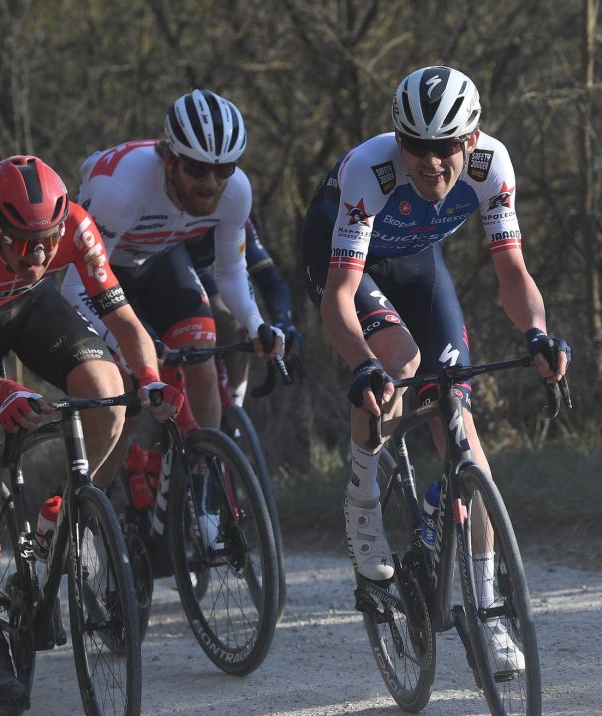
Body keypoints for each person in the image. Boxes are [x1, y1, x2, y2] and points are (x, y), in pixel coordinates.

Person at [299, 66, 570, 673]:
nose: (431, 162)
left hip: (417, 260)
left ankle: (490, 613)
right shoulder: (370, 170)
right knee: (398, 363)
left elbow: (513, 273)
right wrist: (363, 364)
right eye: (416, 145)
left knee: (462, 429)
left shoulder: (491, 166)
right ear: (399, 138)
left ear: (470, 140)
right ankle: (362, 500)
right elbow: (339, 297)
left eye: (445, 146)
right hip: (346, 261)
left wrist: (536, 334)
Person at [0, 155, 179, 703]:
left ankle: (63, 516)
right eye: (23, 242)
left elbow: (124, 320)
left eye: (47, 241)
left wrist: (152, 380)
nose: (38, 254)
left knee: (108, 395)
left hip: (29, 306)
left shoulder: (77, 227)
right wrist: (5, 392)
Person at [60, 89, 284, 434]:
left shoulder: (236, 190)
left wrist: (256, 324)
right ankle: (119, 463)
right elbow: (74, 287)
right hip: (102, 274)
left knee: (201, 354)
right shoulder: (119, 190)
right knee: (127, 391)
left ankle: (207, 463)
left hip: (157, 260)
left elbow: (231, 271)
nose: (211, 183)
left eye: (223, 169)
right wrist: (129, 346)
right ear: (169, 160)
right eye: (197, 169)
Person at [185, 216, 303, 405]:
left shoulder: (234, 214)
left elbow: (270, 281)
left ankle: (234, 406)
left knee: (234, 326)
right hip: (154, 270)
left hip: (201, 274)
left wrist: (283, 322)